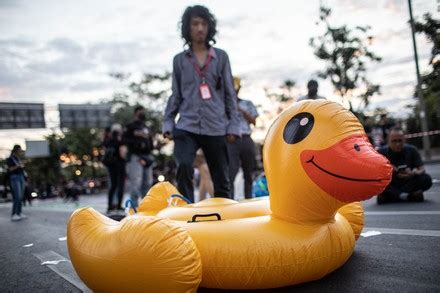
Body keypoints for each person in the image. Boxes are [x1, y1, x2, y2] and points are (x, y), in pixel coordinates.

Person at [163, 5, 240, 203]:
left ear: (209, 27)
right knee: (184, 166)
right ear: (187, 28)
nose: (199, 28)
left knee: (221, 177)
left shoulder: (221, 57)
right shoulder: (179, 60)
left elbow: (229, 93)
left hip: (216, 126)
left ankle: (225, 218)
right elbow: (176, 94)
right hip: (187, 124)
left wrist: (233, 125)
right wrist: (168, 122)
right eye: (195, 24)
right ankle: (187, 212)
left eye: (204, 24)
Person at [377, 127, 432, 204]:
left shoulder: (412, 150)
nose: (397, 144)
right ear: (388, 141)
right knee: (377, 182)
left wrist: (414, 172)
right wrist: (388, 169)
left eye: (400, 141)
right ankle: (408, 196)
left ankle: (395, 196)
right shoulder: (381, 152)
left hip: (408, 182)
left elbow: (422, 169)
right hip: (392, 182)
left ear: (404, 140)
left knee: (426, 179)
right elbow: (374, 172)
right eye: (394, 141)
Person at [227, 77, 259, 199]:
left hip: (246, 139)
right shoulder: (224, 105)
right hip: (231, 140)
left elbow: (254, 121)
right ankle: (229, 200)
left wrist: (240, 109)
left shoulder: (247, 103)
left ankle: (248, 198)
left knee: (248, 172)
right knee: (231, 172)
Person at [123, 106, 154, 207]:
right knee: (136, 183)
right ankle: (134, 207)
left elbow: (151, 142)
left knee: (148, 183)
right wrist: (136, 141)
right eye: (141, 112)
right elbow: (124, 140)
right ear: (135, 113)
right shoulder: (130, 126)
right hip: (135, 156)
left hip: (147, 156)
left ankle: (146, 207)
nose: (143, 114)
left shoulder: (147, 127)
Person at [103, 124, 127, 213]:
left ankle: (110, 206)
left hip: (111, 166)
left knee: (112, 186)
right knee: (120, 185)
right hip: (120, 165)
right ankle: (119, 205)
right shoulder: (121, 141)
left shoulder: (108, 142)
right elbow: (122, 154)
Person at [6, 145, 27, 221]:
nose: (21, 152)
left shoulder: (18, 159)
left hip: (21, 177)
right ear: (16, 150)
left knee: (21, 196)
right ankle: (14, 214)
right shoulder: (10, 159)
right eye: (20, 150)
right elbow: (10, 169)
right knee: (17, 196)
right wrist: (18, 166)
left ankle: (19, 213)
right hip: (14, 177)